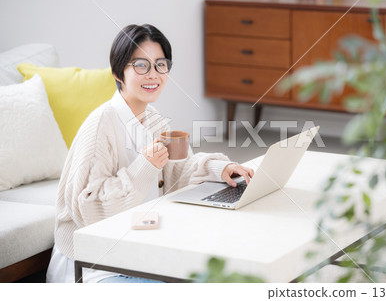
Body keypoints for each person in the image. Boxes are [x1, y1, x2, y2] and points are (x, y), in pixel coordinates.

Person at [46, 24, 254, 283]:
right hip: (95, 264)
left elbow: (179, 168)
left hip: (138, 249)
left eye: (160, 65)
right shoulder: (102, 124)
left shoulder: (151, 118)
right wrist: (143, 167)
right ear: (118, 72)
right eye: (141, 65)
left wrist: (219, 168)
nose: (153, 74)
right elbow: (90, 207)